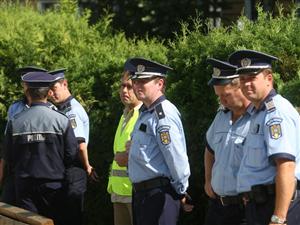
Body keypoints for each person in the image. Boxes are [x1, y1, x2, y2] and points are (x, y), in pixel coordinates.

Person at [228, 49, 300, 225]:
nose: (246, 84)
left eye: (252, 78)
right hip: (259, 206)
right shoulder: (258, 113)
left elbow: (286, 165)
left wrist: (278, 218)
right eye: (242, 79)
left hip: (276, 207)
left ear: (269, 79)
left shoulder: (276, 114)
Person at [3, 71, 78, 225]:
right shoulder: (62, 121)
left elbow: (8, 156)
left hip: (25, 186)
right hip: (54, 185)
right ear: (48, 92)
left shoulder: (15, 122)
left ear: (27, 92)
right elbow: (71, 154)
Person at [127, 57, 192, 225]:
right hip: (143, 195)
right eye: (135, 81)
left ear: (160, 84)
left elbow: (175, 156)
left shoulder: (163, 114)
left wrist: (181, 191)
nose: (137, 85)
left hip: (159, 194)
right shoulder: (145, 113)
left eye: (144, 81)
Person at [204, 58, 251, 225]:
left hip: (244, 210)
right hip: (217, 207)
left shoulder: (258, 118)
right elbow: (209, 149)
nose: (222, 101)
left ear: (240, 87)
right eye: (218, 96)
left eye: (226, 95)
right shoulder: (221, 116)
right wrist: (208, 180)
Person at [48, 68, 97, 225]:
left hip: (75, 169)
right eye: (49, 90)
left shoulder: (72, 111)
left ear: (65, 84)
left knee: (72, 216)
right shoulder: (61, 109)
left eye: (54, 88)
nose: (52, 94)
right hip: (66, 170)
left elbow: (79, 145)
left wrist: (87, 166)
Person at [0, 66, 52, 205]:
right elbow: (7, 145)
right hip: (18, 171)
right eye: (24, 82)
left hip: (45, 173)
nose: (24, 86)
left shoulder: (52, 110)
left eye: (27, 82)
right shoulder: (15, 108)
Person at [107, 59, 142, 225]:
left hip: (134, 192)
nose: (124, 90)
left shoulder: (143, 115)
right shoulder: (124, 115)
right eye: (122, 86)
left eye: (129, 86)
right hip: (118, 191)